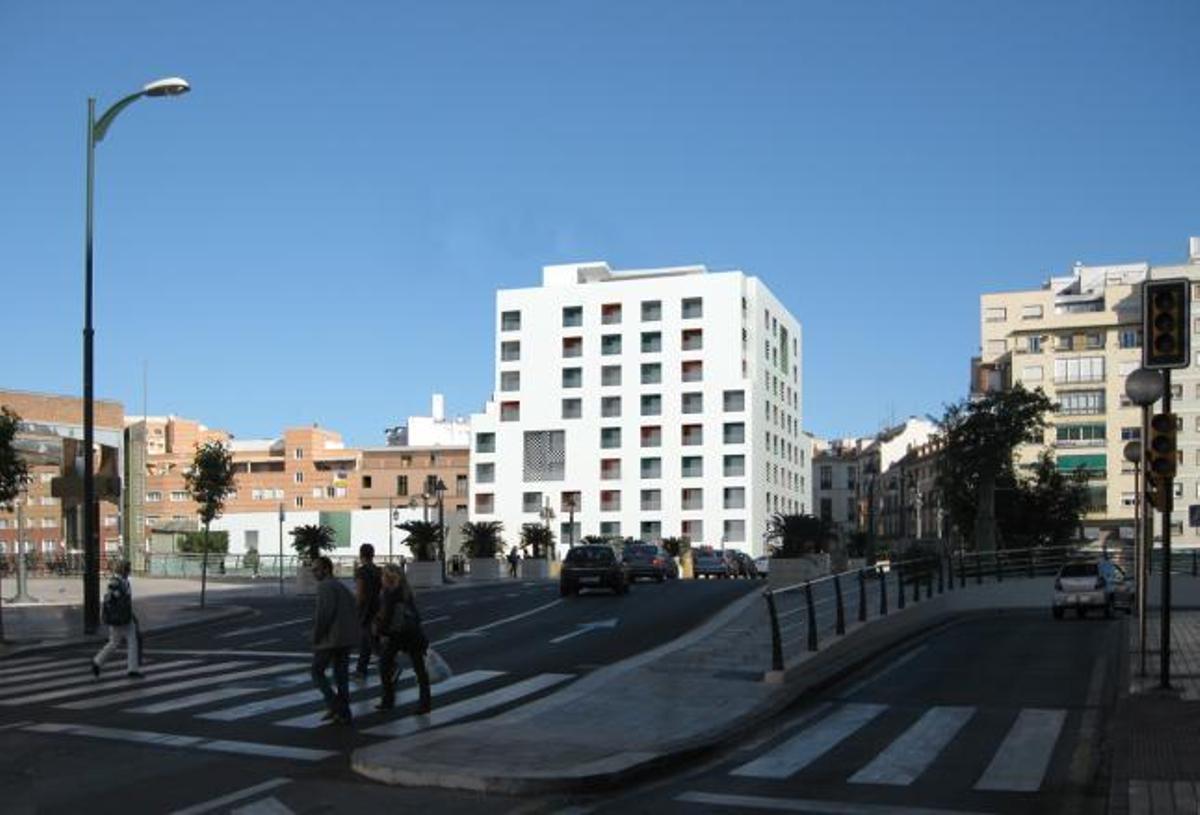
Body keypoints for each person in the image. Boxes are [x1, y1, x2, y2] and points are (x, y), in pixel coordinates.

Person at [375, 564, 431, 713]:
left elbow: (386, 617)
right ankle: (425, 703)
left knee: (384, 665)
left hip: (397, 635)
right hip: (413, 634)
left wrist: (380, 632)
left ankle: (388, 699)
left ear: (388, 578)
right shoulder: (406, 591)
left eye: (383, 576)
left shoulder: (389, 593)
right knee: (419, 669)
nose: (381, 579)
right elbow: (416, 615)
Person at [310, 556, 359, 724]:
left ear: (326, 569)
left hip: (331, 639)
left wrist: (316, 636)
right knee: (341, 676)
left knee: (317, 672)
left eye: (316, 569)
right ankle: (341, 711)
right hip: (345, 638)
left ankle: (336, 706)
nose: (313, 573)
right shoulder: (340, 585)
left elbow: (324, 615)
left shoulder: (325, 586)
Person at [91, 560, 142, 678]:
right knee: (122, 641)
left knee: (123, 640)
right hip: (119, 616)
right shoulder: (116, 581)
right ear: (123, 570)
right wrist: (118, 595)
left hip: (124, 616)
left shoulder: (124, 581)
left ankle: (98, 662)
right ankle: (131, 669)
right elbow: (110, 596)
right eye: (128, 569)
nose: (129, 571)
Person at [353, 542, 382, 681]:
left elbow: (360, 593)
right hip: (377, 607)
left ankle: (390, 665)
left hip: (366, 609)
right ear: (373, 555)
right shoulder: (378, 570)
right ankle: (361, 670)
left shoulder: (361, 571)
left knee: (371, 641)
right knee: (367, 641)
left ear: (361, 555)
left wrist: (356, 609)